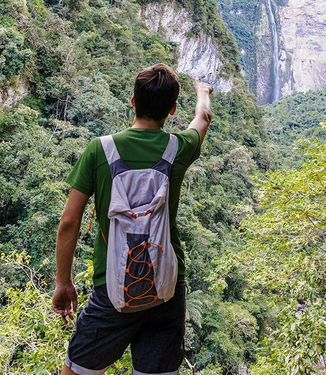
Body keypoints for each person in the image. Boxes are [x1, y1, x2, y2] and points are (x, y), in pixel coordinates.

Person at [52, 63, 213, 375]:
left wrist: (63, 281)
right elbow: (202, 118)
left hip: (112, 286)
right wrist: (203, 93)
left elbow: (69, 221)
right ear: (172, 108)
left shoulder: (100, 150)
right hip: (166, 288)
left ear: (133, 101)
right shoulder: (178, 147)